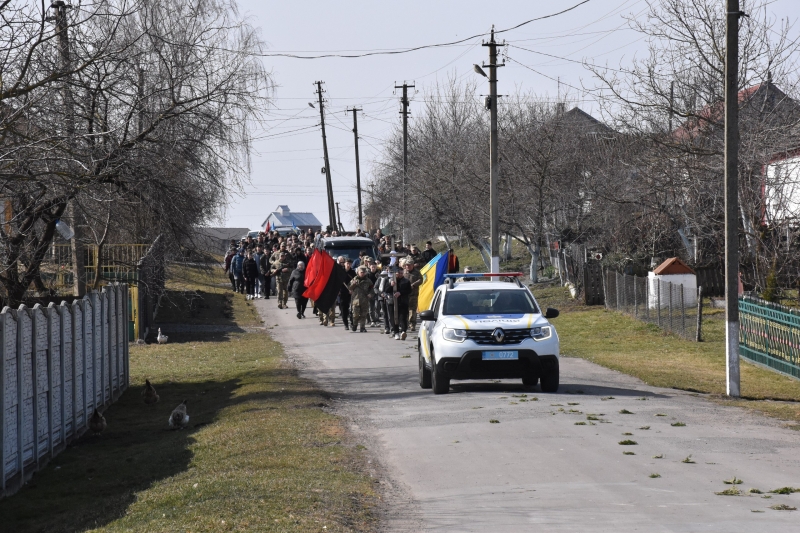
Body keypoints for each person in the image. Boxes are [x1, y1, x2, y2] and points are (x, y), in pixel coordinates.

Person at [386, 266, 412, 340]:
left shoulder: (406, 281)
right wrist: (391, 286)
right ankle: (396, 332)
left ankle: (403, 331)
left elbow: (409, 291)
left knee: (403, 317)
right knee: (393, 318)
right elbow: (386, 290)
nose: (400, 274)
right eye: (399, 273)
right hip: (392, 302)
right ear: (395, 273)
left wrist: (400, 293)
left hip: (403, 302)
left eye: (401, 273)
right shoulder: (390, 280)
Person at [349, 266, 373, 332]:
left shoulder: (368, 281)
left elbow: (372, 288)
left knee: (363, 315)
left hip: (365, 300)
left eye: (364, 272)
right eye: (361, 272)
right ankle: (354, 325)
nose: (362, 273)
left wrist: (371, 294)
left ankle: (362, 327)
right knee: (355, 315)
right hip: (356, 300)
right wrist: (353, 284)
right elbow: (349, 288)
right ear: (358, 272)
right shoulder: (354, 279)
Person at [404, 259, 422, 331]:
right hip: (405, 294)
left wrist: (414, 285)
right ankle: (405, 324)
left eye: (409, 265)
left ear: (412, 265)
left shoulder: (417, 272)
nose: (407, 266)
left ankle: (412, 324)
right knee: (405, 309)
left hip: (413, 294)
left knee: (412, 310)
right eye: (406, 265)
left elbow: (421, 280)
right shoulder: (404, 272)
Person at [338, 258, 356, 330]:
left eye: (350, 264)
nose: (348, 265)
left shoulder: (353, 273)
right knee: (344, 309)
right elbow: (337, 283)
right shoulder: (341, 272)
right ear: (344, 263)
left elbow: (355, 282)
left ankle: (352, 323)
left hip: (351, 293)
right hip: (342, 293)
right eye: (347, 263)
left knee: (352, 309)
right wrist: (338, 291)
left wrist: (352, 289)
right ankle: (346, 324)